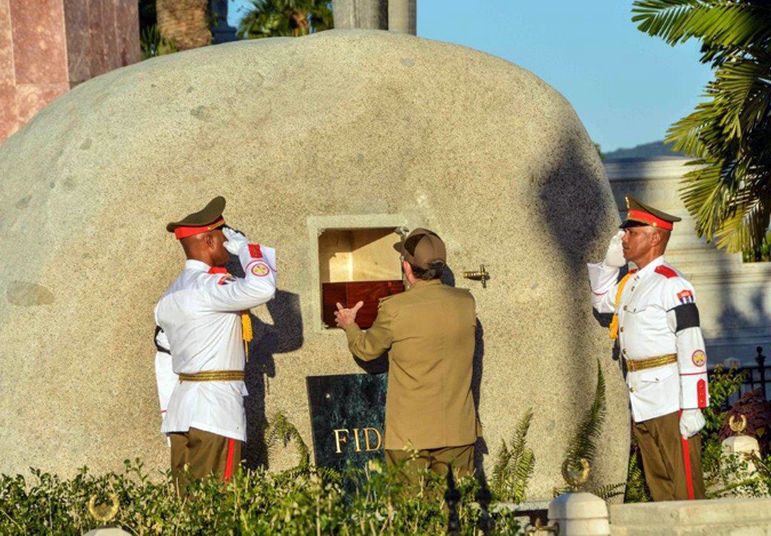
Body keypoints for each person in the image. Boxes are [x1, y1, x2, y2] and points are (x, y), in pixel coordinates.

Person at [588, 195, 709, 501]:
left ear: (655, 237)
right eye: (623, 233)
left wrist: (693, 405)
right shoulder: (630, 282)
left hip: (671, 400)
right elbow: (601, 300)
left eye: (632, 232)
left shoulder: (672, 284)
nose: (624, 238)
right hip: (642, 398)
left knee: (686, 493)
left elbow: (691, 344)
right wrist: (608, 264)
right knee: (660, 493)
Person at [334, 228, 479, 484]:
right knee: (456, 515)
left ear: (407, 267)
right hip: (459, 430)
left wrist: (350, 325)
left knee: (412, 515)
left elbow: (366, 350)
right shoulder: (466, 303)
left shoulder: (395, 308)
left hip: (411, 437)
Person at [154, 196, 276, 489]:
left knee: (187, 508)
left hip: (180, 413)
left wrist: (167, 415)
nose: (228, 247)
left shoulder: (168, 298)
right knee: (219, 505)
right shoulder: (212, 287)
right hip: (215, 412)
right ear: (209, 242)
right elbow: (263, 286)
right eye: (224, 238)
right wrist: (248, 249)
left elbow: (164, 359)